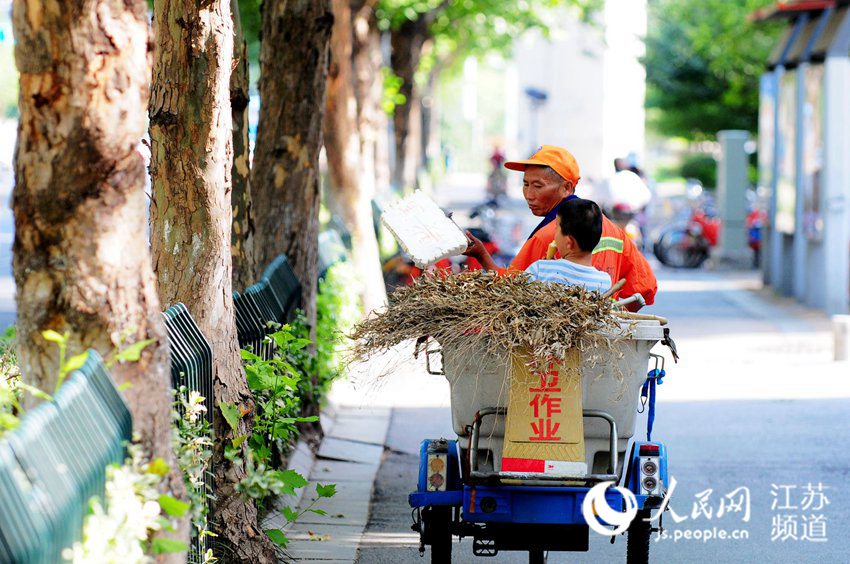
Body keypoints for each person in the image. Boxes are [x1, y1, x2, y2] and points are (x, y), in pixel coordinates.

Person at [463, 145, 657, 310]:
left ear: (567, 188)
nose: (529, 195)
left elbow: (509, 290)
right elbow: (644, 286)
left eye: (538, 186)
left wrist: (482, 255)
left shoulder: (550, 235)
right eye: (525, 184)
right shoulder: (612, 229)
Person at [525, 198, 612, 292]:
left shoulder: (539, 269)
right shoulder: (604, 282)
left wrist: (548, 265)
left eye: (557, 228)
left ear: (569, 242)